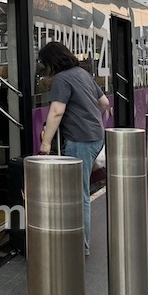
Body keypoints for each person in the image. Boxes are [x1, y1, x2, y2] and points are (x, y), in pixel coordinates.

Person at [38, 41, 110, 257]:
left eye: (45, 64)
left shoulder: (62, 78)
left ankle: (81, 247)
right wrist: (88, 116)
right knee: (80, 191)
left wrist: (45, 143)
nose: (45, 69)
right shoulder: (82, 73)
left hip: (80, 140)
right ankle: (79, 242)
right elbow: (104, 102)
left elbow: (57, 112)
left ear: (52, 61)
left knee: (79, 196)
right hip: (96, 136)